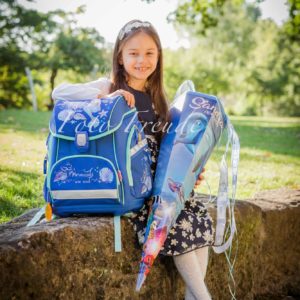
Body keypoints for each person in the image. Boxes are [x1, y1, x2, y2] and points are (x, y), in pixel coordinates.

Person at [52, 19, 214, 300]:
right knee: (175, 223)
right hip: (133, 186)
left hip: (160, 187)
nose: (142, 60)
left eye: (150, 53)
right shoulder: (110, 86)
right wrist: (106, 94)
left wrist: (188, 172)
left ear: (159, 56)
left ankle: (196, 297)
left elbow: (167, 150)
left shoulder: (159, 99)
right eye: (134, 53)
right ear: (120, 56)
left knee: (197, 218)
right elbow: (59, 93)